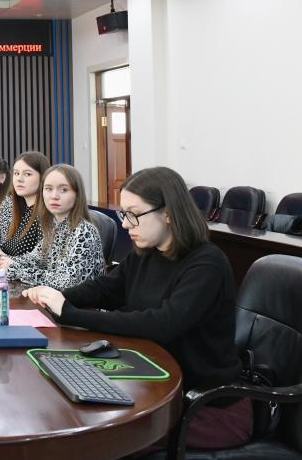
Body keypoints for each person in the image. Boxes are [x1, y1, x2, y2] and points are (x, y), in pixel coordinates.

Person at [24, 166, 250, 450]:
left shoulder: (207, 264)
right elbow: (105, 289)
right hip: (153, 385)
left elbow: (162, 324)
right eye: (124, 214)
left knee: (87, 442)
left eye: (134, 214)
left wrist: (71, 313)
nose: (125, 224)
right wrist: (54, 299)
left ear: (168, 213)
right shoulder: (146, 252)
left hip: (207, 407)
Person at [0, 164, 104, 289]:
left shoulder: (84, 231)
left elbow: (68, 281)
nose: (54, 196)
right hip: (53, 298)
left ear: (77, 194)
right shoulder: (53, 227)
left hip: (81, 301)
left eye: (64, 190)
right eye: (48, 189)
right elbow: (35, 259)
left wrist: (16, 270)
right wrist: (4, 261)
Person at [0, 150, 48, 258]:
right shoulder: (24, 212)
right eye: (16, 173)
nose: (19, 179)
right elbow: (11, 250)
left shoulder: (45, 214)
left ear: (43, 177)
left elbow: (39, 263)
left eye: (27, 174)